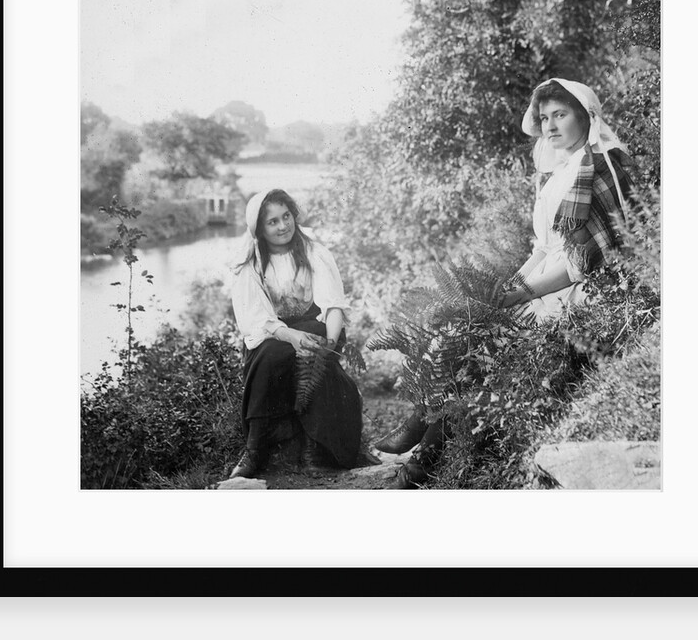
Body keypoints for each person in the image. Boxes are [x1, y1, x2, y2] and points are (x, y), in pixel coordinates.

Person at [374, 78, 635, 487]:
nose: (550, 126)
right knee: (465, 321)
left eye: (560, 115)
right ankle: (422, 423)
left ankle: (423, 458)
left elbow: (580, 262)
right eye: (544, 118)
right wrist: (505, 286)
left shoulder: (600, 167)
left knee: (485, 346)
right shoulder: (558, 171)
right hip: (545, 282)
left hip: (582, 292)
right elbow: (543, 247)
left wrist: (523, 294)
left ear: (585, 116)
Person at [228, 188, 363, 480]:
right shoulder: (251, 263)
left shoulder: (313, 251)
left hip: (316, 324)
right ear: (260, 229)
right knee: (272, 353)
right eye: (272, 222)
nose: (282, 226)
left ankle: (316, 447)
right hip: (273, 332)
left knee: (314, 347)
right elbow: (257, 319)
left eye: (286, 216)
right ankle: (254, 447)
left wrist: (329, 342)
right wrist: (290, 336)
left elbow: (332, 304)